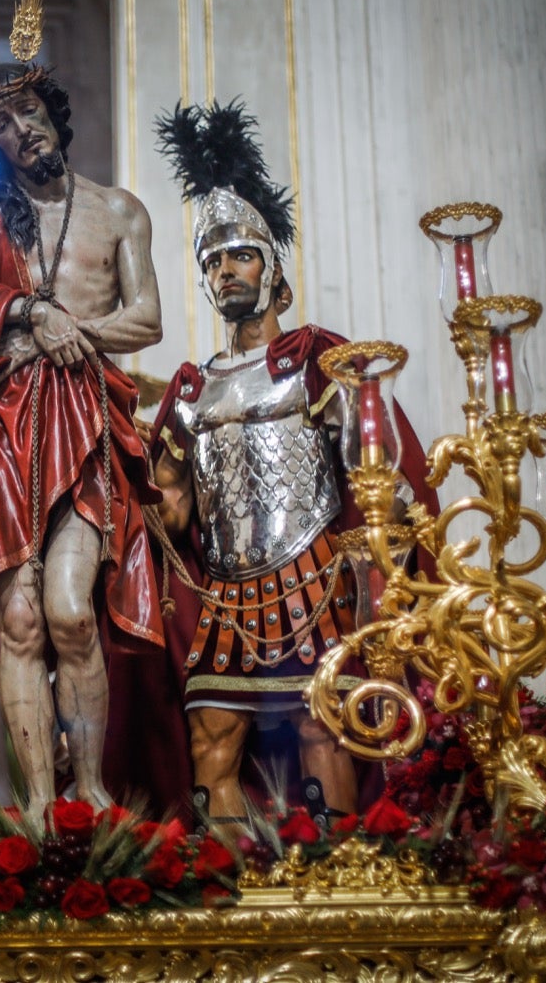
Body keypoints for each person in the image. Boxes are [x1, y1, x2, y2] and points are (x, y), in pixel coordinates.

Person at [148, 102, 436, 825]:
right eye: (211, 262)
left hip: (313, 573)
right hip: (223, 591)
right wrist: (134, 494)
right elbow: (173, 508)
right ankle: (228, 888)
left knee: (322, 726)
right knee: (211, 736)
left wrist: (389, 539)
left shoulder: (312, 360)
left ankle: (337, 877)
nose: (224, 271)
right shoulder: (192, 388)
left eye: (239, 255)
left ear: (274, 270)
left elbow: (375, 461)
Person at [0, 44, 165, 817]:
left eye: (27, 111)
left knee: (69, 610)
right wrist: (26, 310)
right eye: (0, 124)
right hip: (1, 431)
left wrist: (69, 329)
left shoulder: (118, 210)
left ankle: (90, 789)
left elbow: (146, 318)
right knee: (18, 618)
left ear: (52, 111)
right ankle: (46, 809)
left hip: (84, 416)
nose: (21, 130)